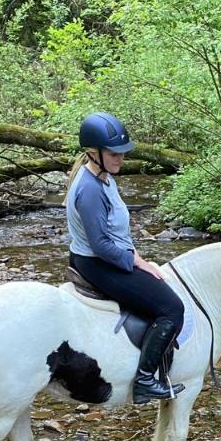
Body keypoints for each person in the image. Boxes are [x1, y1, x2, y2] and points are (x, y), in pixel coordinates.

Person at [66, 112, 185, 404]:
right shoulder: (89, 190)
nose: (121, 159)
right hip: (98, 263)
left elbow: (116, 231)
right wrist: (136, 262)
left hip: (110, 256)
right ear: (93, 153)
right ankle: (145, 380)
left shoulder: (103, 176)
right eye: (114, 154)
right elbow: (102, 244)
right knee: (172, 308)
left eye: (122, 153)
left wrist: (137, 254)